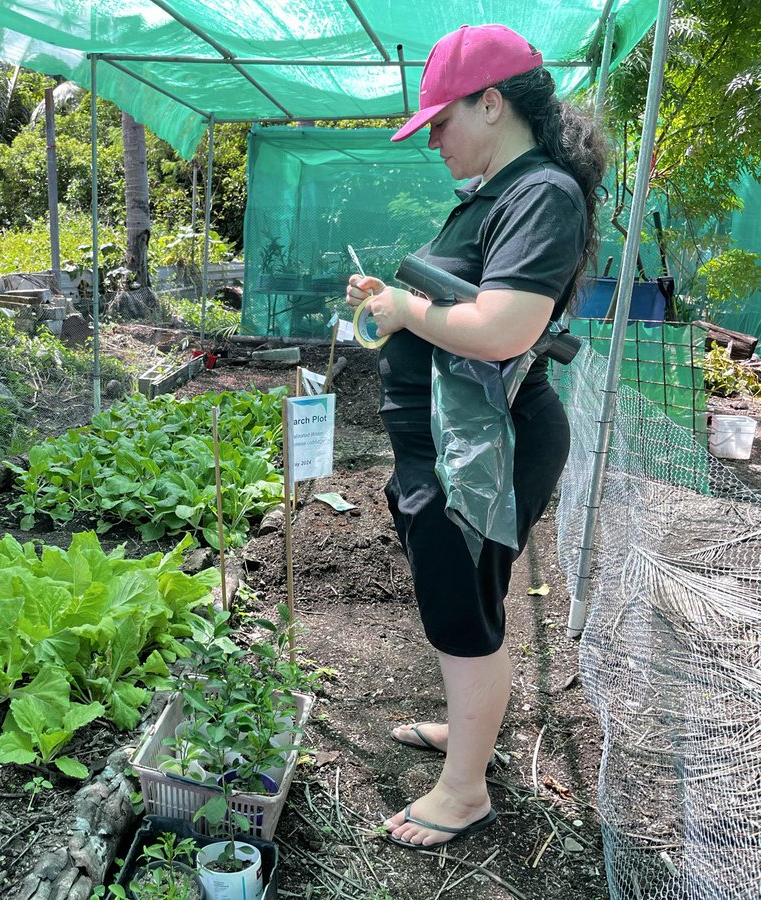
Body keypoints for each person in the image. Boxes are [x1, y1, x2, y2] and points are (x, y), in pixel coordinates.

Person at [345, 24, 606, 849]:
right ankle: (471, 734)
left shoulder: (542, 193)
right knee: (467, 595)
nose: (436, 141)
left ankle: (464, 793)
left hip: (486, 446)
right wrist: (396, 298)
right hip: (458, 444)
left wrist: (402, 310)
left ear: (491, 102)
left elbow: (501, 328)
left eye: (442, 122)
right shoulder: (502, 193)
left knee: (464, 608)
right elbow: (462, 305)